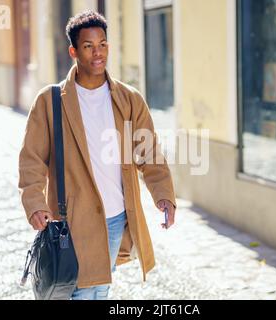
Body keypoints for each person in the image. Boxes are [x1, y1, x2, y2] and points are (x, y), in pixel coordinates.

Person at [18, 10, 177, 300]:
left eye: (102, 44)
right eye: (89, 46)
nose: (98, 52)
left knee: (98, 287)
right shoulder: (50, 101)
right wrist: (34, 203)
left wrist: (163, 194)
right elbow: (32, 159)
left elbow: (149, 152)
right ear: (73, 51)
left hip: (116, 215)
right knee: (82, 291)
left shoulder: (128, 99)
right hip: (71, 217)